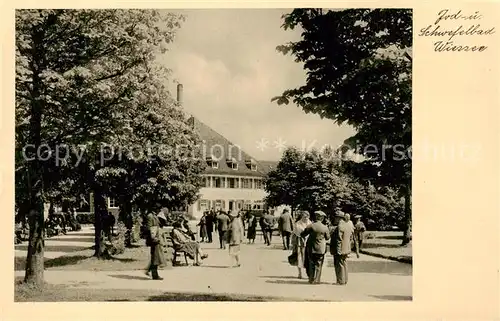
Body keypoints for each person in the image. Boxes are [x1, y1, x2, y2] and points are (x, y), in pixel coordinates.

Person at [301, 211, 330, 284]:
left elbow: (303, 234)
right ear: (322, 218)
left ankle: (311, 279)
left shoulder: (311, 226)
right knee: (319, 264)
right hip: (321, 249)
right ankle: (317, 280)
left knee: (311, 263)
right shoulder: (325, 227)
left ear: (316, 217)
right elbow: (327, 238)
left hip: (311, 248)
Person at [330, 212, 354, 285]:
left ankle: (340, 281)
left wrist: (338, 250)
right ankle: (345, 279)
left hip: (340, 249)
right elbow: (351, 238)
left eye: (336, 217)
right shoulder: (348, 225)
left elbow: (339, 239)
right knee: (344, 263)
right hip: (346, 248)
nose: (335, 219)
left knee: (339, 264)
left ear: (339, 218)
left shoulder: (340, 226)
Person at [145, 211, 167, 280]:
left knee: (155, 258)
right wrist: (154, 238)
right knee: (155, 258)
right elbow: (150, 228)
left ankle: (153, 273)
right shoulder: (150, 216)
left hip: (156, 240)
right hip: (154, 240)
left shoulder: (154, 216)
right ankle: (154, 275)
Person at [291, 210, 312, 279]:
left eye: (307, 217)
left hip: (308, 242)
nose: (306, 218)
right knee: (300, 257)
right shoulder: (298, 223)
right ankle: (300, 273)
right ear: (302, 216)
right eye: (304, 217)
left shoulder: (310, 223)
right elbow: (298, 232)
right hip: (300, 242)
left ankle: (308, 273)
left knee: (308, 258)